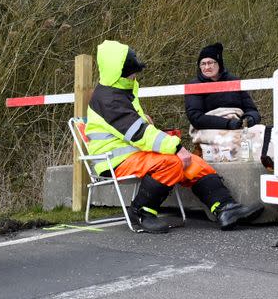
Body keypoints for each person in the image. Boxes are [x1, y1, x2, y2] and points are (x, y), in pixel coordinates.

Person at [85, 40, 264, 233]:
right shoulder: (109, 98)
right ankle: (141, 212)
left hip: (135, 155)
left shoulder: (120, 92)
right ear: (118, 73)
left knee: (194, 163)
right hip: (114, 161)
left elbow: (137, 129)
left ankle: (226, 208)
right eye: (132, 72)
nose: (135, 75)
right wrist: (176, 147)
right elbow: (139, 133)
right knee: (173, 161)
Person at [185, 42, 260, 131]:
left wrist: (249, 119)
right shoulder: (194, 86)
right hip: (209, 131)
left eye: (210, 63)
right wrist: (228, 123)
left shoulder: (234, 81)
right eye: (203, 64)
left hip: (239, 126)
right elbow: (196, 118)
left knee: (264, 134)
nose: (207, 67)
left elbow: (252, 110)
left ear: (219, 64)